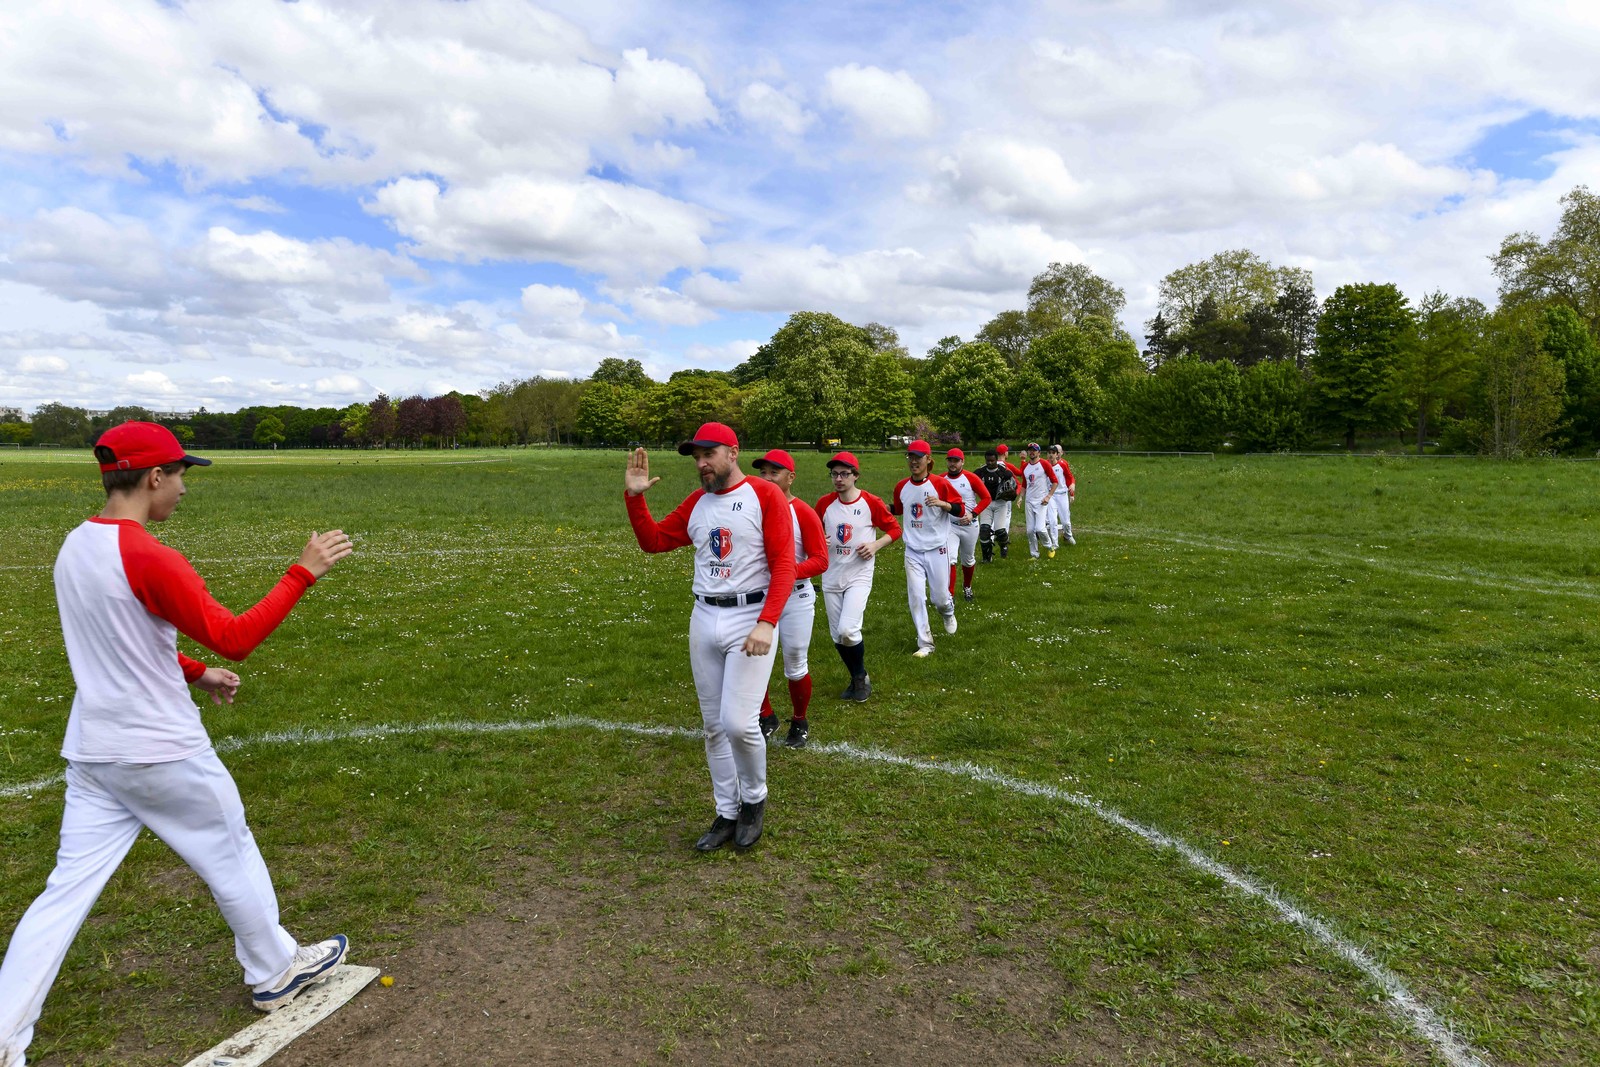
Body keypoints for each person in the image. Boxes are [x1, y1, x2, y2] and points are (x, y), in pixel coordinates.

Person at [1, 422, 356, 1065]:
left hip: (93, 754)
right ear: (154, 477)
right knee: (232, 851)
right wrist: (302, 572)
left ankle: (3, 1037)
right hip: (162, 752)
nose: (185, 489)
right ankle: (275, 970)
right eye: (182, 475)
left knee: (63, 894)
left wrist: (196, 673)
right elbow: (235, 635)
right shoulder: (150, 555)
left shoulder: (75, 545)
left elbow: (128, 639)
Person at [624, 422, 795, 851]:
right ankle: (726, 811)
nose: (701, 464)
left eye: (709, 454)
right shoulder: (698, 503)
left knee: (740, 723)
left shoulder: (764, 495)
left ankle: (754, 801)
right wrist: (635, 498)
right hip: (705, 616)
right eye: (696, 457)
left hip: (750, 617)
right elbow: (655, 541)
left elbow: (785, 565)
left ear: (733, 452)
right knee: (714, 727)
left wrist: (767, 621)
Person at [751, 449, 829, 749]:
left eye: (775, 472)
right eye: (764, 472)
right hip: (759, 597)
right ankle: (765, 715)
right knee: (754, 661)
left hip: (795, 597)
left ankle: (799, 720)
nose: (768, 478)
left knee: (795, 662)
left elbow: (821, 560)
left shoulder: (803, 512)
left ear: (791, 477)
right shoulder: (751, 508)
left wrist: (787, 571)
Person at [814, 451, 901, 700]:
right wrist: (819, 539)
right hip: (831, 575)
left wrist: (875, 546)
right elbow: (812, 534)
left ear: (855, 476)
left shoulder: (870, 502)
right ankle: (857, 678)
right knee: (837, 636)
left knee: (848, 630)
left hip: (858, 575)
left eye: (844, 474)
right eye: (834, 474)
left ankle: (860, 677)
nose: (838, 479)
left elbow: (894, 529)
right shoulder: (824, 504)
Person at [890, 440, 969, 657]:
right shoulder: (901, 486)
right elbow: (897, 509)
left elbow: (961, 509)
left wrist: (943, 504)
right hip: (913, 551)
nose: (913, 461)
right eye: (910, 457)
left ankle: (947, 611)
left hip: (937, 549)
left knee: (940, 599)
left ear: (928, 459)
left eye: (918, 457)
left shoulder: (940, 484)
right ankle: (925, 643)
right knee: (916, 597)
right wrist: (874, 507)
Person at [941, 449, 992, 601]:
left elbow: (986, 498)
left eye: (956, 460)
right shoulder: (941, 479)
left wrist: (973, 514)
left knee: (968, 560)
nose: (952, 463)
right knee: (950, 559)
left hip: (970, 525)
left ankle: (967, 586)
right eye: (950, 460)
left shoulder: (971, 478)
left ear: (963, 462)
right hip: (950, 525)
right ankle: (949, 595)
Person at [974, 447, 1018, 564]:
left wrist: (1012, 492)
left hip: (1000, 503)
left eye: (992, 461)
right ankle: (986, 557)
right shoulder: (980, 472)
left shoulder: (1004, 472)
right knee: (984, 531)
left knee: (1000, 531)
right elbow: (971, 483)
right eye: (988, 460)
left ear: (996, 459)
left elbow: (1014, 485)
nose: (990, 463)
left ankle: (1004, 545)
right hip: (986, 503)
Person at [1020, 441, 1061, 560]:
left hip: (1041, 501)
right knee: (1029, 530)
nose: (1031, 452)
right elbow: (1024, 484)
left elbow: (1054, 481)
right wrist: (1021, 497)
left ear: (1039, 452)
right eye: (1030, 450)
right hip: (1029, 501)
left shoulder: (1044, 464)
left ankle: (1049, 546)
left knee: (1040, 528)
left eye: (1034, 450)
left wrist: (1048, 496)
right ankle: (1034, 554)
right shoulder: (1025, 467)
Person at [1047, 444, 1077, 546]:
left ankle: (1068, 535)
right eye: (1049, 453)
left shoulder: (1063, 464)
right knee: (1052, 521)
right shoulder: (1044, 465)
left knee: (1065, 522)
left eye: (1053, 453)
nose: (1051, 455)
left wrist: (1072, 489)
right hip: (1050, 496)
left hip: (1062, 495)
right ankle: (1054, 544)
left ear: (1057, 454)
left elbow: (1070, 477)